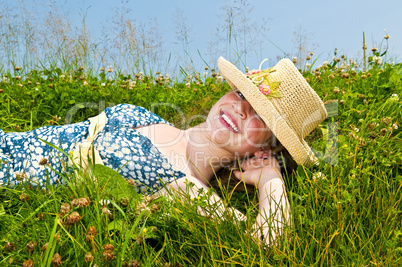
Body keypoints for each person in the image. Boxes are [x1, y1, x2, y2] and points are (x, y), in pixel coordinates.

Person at [0, 56, 327, 245]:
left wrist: (271, 179)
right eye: (242, 95)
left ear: (264, 148)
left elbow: (269, 244)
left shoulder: (184, 186)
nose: (242, 110)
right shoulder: (146, 114)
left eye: (261, 118)